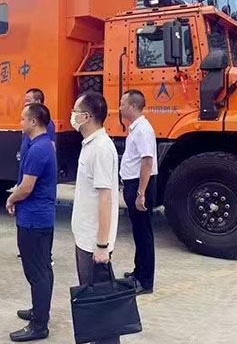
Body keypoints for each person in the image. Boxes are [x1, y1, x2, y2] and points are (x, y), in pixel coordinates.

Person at [70, 92, 120, 344]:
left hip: (93, 243)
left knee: (100, 302)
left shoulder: (100, 148)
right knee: (93, 300)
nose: (72, 115)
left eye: (75, 111)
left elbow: (105, 198)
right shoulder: (90, 145)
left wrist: (101, 245)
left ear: (87, 116)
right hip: (85, 237)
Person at [6, 103, 57, 342]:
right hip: (38, 217)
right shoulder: (42, 145)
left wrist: (11, 199)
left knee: (37, 272)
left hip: (34, 220)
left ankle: (39, 325)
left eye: (22, 119)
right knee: (42, 269)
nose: (20, 123)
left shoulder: (38, 149)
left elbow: (26, 187)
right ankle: (39, 310)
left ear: (33, 121)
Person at [119, 90, 157, 295]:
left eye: (123, 104)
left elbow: (147, 161)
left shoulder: (143, 130)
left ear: (133, 106)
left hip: (140, 185)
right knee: (138, 231)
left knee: (144, 234)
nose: (120, 107)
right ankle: (138, 272)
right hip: (133, 184)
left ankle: (146, 281)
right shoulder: (135, 128)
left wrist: (141, 193)